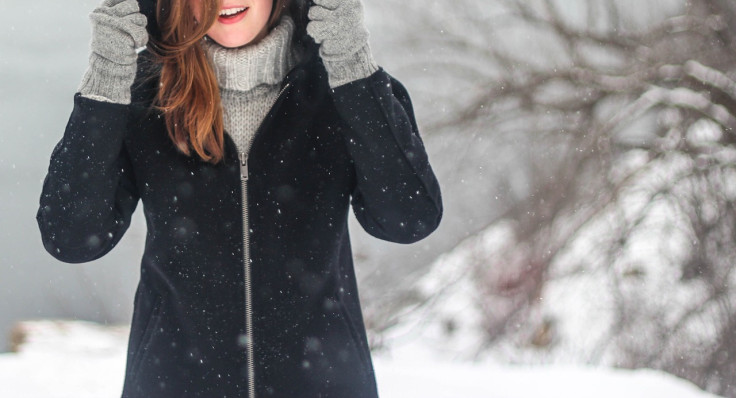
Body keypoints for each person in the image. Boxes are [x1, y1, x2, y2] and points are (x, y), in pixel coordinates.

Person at [35, 0, 443, 396]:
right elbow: (71, 237)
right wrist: (107, 77)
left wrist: (351, 61)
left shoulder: (344, 87)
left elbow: (408, 219)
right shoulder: (145, 96)